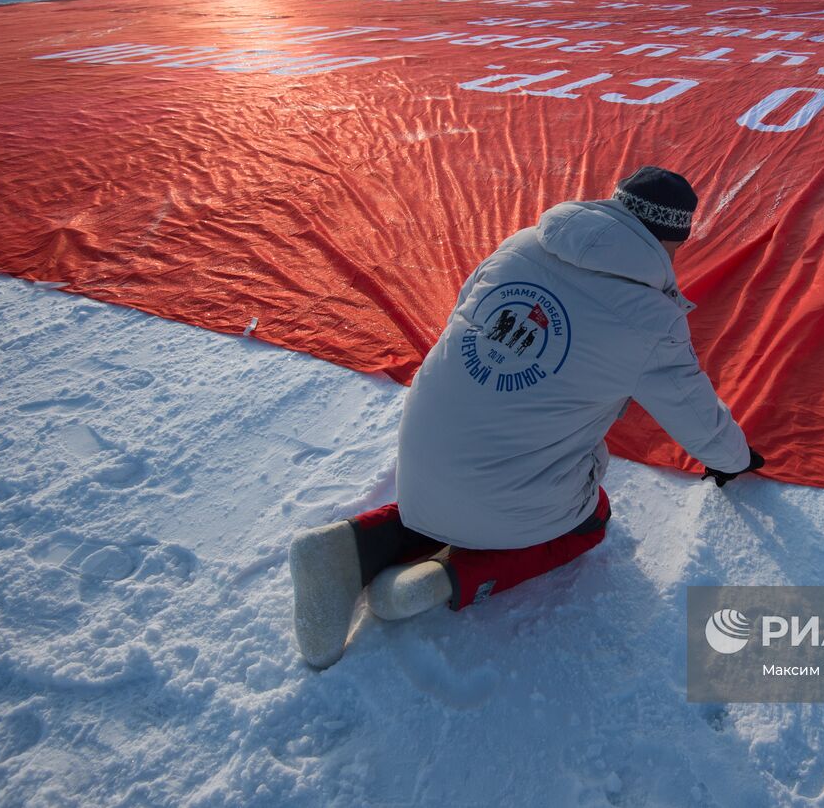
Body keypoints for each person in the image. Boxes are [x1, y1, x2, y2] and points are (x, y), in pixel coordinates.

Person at [289, 166, 767, 669]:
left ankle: (355, 543)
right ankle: (443, 579)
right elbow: (694, 415)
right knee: (589, 516)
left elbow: (464, 315)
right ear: (671, 241)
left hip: (418, 464)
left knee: (478, 482)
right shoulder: (650, 316)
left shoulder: (521, 244)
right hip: (499, 496)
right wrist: (735, 459)